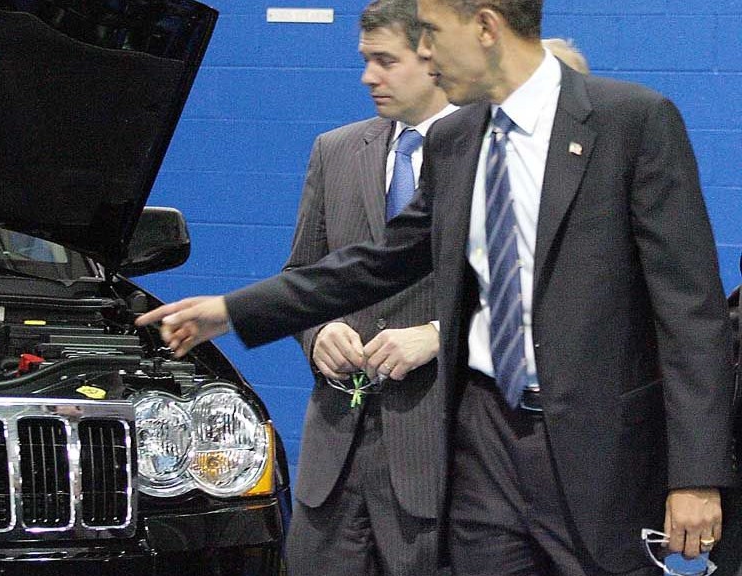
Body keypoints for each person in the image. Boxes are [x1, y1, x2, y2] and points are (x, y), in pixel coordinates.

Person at [137, 0, 736, 574]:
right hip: (483, 442)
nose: (425, 52)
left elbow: (692, 314)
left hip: (597, 454)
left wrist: (696, 474)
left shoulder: (631, 120)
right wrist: (233, 310)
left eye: (430, 31)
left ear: (484, 27)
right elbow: (379, 261)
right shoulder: (457, 139)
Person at [280, 1, 456, 574]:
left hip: (438, 463)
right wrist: (318, 332)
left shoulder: (496, 157)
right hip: (333, 460)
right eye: (365, 60)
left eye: (384, 60)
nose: (367, 76)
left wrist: (436, 335)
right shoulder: (334, 150)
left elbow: (531, 299)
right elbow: (299, 278)